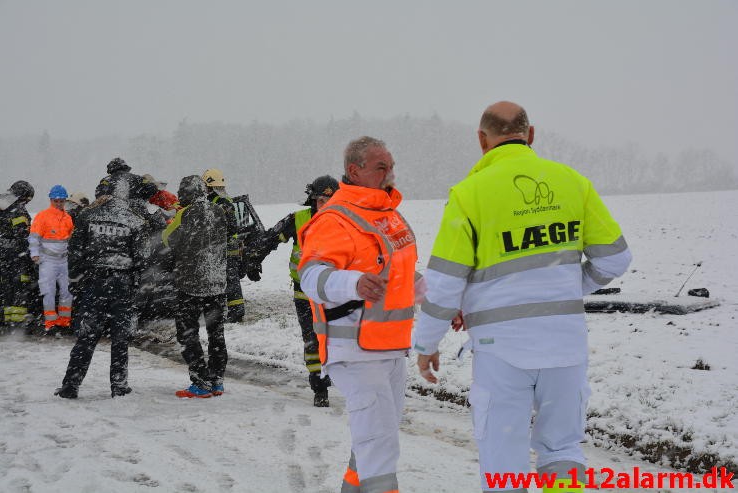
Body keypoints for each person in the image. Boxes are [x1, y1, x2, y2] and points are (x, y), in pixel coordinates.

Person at [413, 101, 633, 492]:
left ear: (482, 140)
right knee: (563, 450)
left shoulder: (470, 195)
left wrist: (427, 343)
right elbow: (616, 258)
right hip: (565, 345)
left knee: (503, 460)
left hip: (503, 352)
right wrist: (566, 286)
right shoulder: (572, 182)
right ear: (530, 135)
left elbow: (445, 281)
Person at [298, 137, 421, 493]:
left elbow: (402, 277)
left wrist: (446, 300)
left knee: (375, 440)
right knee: (379, 445)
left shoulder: (387, 215)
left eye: (391, 166)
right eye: (381, 167)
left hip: (392, 349)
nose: (390, 174)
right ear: (355, 170)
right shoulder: (334, 219)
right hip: (355, 352)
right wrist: (353, 283)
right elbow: (311, 277)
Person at [54, 178, 147, 398]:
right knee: (120, 338)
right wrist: (135, 284)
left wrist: (76, 281)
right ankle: (119, 385)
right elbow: (142, 259)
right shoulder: (135, 220)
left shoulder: (88, 216)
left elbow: (75, 252)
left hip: (94, 283)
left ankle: (71, 385)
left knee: (86, 337)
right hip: (122, 285)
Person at [255, 175, 339, 407]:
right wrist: (254, 259)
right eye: (322, 200)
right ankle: (319, 386)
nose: (327, 205)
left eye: (332, 200)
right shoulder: (298, 219)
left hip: (335, 293)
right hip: (304, 294)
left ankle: (345, 379)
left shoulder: (346, 222)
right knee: (312, 341)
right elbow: (270, 238)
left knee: (336, 341)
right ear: (313, 200)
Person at [162, 175, 228, 398]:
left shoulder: (185, 213)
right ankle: (217, 379)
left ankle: (200, 382)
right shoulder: (219, 211)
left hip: (190, 284)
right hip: (217, 283)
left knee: (188, 333)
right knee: (216, 334)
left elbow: (166, 240)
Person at [202, 168, 246, 323]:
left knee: (229, 279)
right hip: (226, 247)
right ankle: (233, 310)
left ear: (209, 186)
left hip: (225, 248)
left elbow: (229, 227)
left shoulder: (220, 203)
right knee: (228, 279)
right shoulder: (220, 201)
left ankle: (237, 312)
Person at [29, 185, 74, 332]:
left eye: (62, 201)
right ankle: (50, 324)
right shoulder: (42, 216)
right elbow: (34, 237)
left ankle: (64, 322)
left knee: (67, 291)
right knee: (48, 291)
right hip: (47, 260)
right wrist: (35, 254)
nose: (59, 204)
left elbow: (71, 239)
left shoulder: (68, 218)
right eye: (56, 201)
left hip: (64, 260)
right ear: (51, 200)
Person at [0, 180, 35, 330]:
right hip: (14, 258)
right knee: (17, 289)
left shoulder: (2, 203)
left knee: (3, 288)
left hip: (2, 257)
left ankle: (2, 320)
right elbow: (23, 236)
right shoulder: (19, 211)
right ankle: (15, 324)